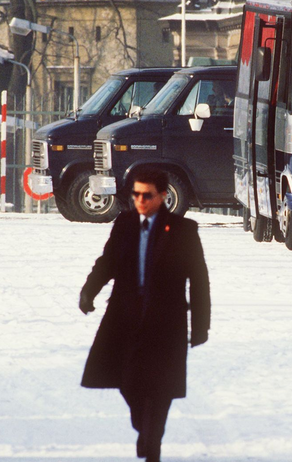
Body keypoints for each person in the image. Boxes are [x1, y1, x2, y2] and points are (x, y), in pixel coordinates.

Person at [78, 168, 211, 462]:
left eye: (146, 195)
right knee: (127, 382)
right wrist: (89, 291)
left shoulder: (183, 230)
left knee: (161, 389)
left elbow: (199, 279)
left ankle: (153, 444)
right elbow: (108, 261)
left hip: (166, 323)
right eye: (135, 194)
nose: (139, 200)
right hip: (125, 319)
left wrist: (201, 326)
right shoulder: (124, 224)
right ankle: (143, 425)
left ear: (163, 196)